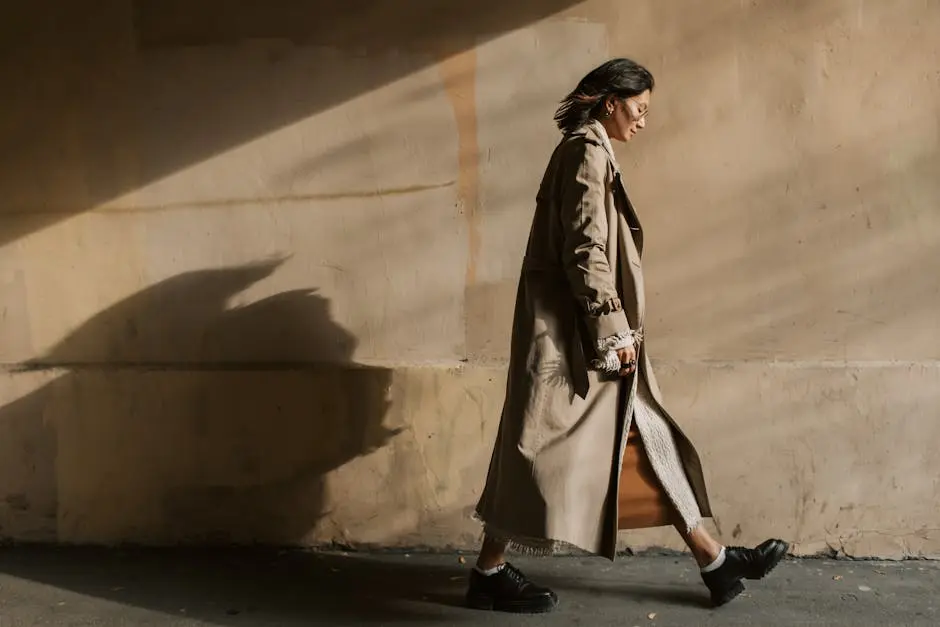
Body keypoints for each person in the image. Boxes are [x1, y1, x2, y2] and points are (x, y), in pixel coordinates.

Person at [465, 57, 788, 613]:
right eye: (639, 109)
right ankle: (489, 572)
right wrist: (611, 330)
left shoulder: (587, 152)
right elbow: (586, 251)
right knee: (537, 456)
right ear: (611, 102)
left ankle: (715, 561)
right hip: (578, 338)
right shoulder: (586, 155)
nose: (643, 120)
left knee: (645, 435)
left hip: (584, 333)